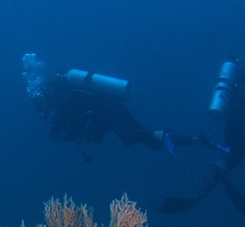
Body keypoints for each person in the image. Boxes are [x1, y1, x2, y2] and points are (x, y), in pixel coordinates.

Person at [159, 57, 245, 227]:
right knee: (240, 152)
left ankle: (205, 151)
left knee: (233, 150)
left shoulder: (238, 75)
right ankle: (219, 164)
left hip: (231, 115)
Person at [22, 55, 202, 158]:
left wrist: (55, 134)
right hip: (113, 108)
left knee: (132, 135)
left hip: (110, 112)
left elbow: (62, 119)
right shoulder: (66, 95)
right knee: (150, 143)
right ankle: (195, 140)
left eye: (40, 106)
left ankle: (162, 135)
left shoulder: (61, 99)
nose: (43, 110)